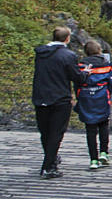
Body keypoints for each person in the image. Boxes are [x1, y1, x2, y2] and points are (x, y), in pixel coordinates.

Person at [33, 26, 84, 178]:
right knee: (56, 133)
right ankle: (48, 166)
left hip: (40, 96)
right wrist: (84, 74)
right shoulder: (68, 55)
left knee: (45, 132)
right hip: (60, 98)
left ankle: (51, 160)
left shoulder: (41, 53)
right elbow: (76, 76)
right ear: (67, 39)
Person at [76, 40, 112, 170]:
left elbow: (77, 82)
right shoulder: (106, 64)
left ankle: (93, 159)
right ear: (99, 50)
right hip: (102, 97)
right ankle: (104, 152)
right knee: (104, 124)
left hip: (87, 98)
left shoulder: (81, 65)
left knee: (90, 129)